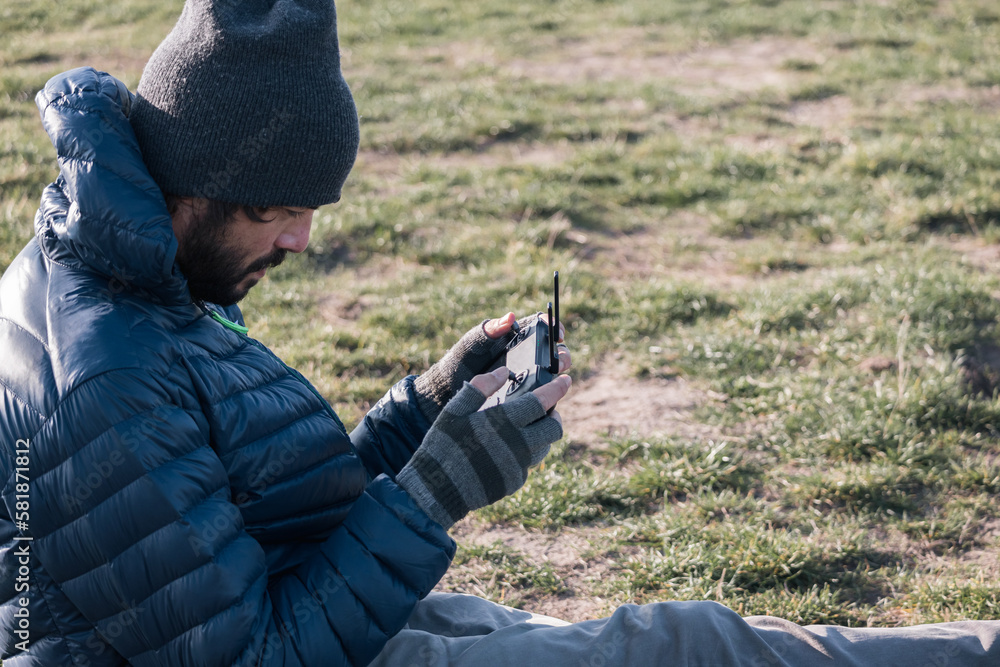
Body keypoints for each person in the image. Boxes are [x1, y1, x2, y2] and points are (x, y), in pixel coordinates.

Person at [0, 1, 996, 666]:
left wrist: (425, 407)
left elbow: (232, 519)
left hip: (287, 614)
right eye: (276, 210)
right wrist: (436, 492)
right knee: (678, 648)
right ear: (193, 187)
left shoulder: (121, 277)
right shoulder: (104, 377)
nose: (301, 239)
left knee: (686, 638)